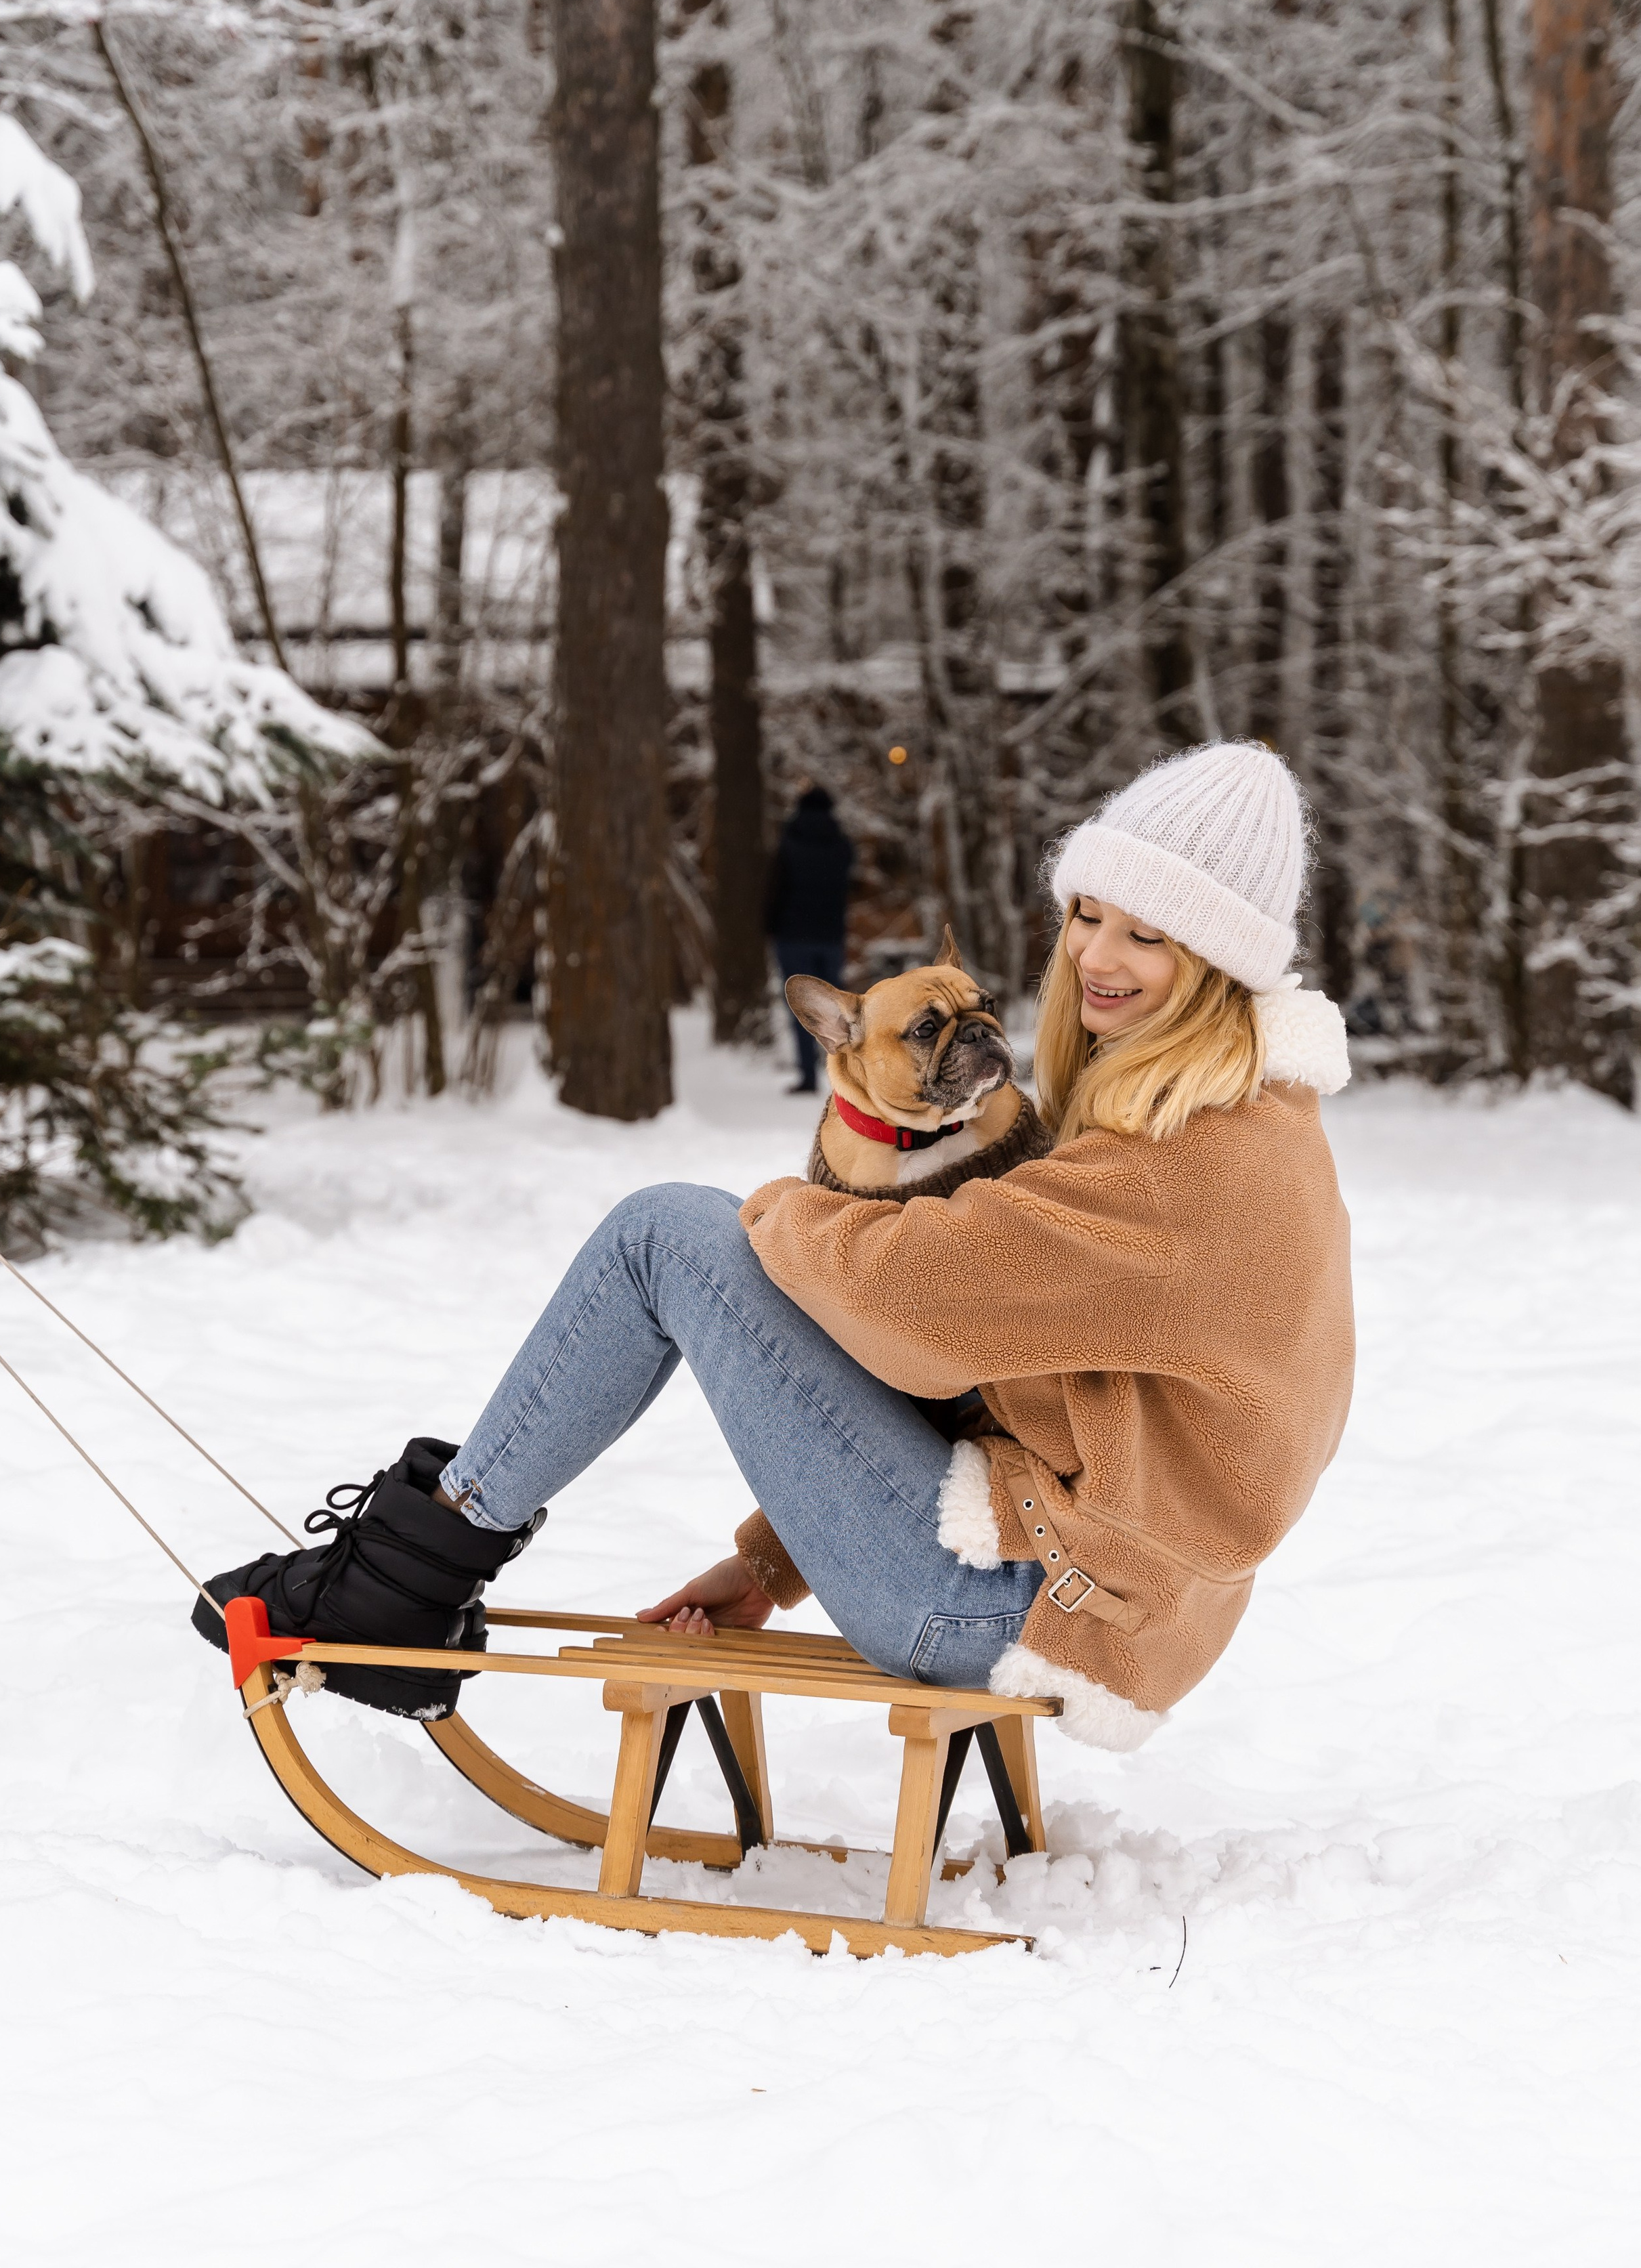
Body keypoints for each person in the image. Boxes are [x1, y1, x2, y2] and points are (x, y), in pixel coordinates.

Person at [194, 742, 1355, 1753]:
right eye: (1087, 915)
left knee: (669, 1234)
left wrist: (787, 1212)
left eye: (1146, 934)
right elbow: (1013, 1401)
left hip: (1013, 1607)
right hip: (1086, 1602)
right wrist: (768, 1568)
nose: (1097, 955)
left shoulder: (1186, 1168)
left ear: (1218, 964)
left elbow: (918, 1317)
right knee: (698, 1241)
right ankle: (412, 1568)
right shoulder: (1234, 1127)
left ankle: (399, 1586)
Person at [764, 783, 854, 1092]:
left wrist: (770, 927)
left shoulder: (789, 843)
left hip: (793, 938)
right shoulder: (842, 845)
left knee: (800, 1006)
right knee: (838, 1010)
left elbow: (774, 889)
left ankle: (808, 1075)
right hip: (831, 937)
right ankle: (843, 1075)